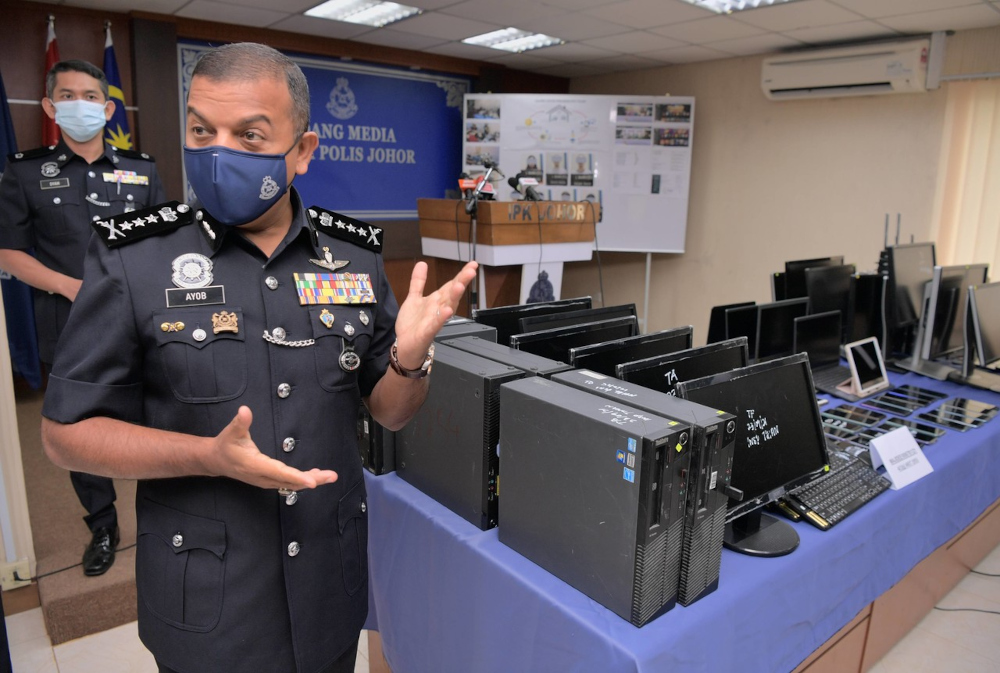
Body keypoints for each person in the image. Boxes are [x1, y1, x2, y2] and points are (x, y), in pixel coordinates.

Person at [40, 42, 477, 673]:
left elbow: (391, 413)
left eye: (249, 135)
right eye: (201, 130)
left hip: (329, 586)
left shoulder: (352, 259)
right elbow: (65, 435)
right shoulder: (133, 257)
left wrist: (410, 360)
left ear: (302, 150)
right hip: (209, 605)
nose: (218, 153)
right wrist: (205, 456)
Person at [0, 59, 167, 576]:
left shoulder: (141, 169)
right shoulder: (25, 171)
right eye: (68, 95)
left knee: (155, 411)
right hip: (67, 320)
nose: (81, 104)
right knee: (78, 425)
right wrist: (73, 287)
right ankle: (102, 523)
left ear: (108, 107)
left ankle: (166, 513)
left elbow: (160, 243)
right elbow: (9, 252)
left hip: (139, 320)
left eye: (91, 96)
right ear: (50, 107)